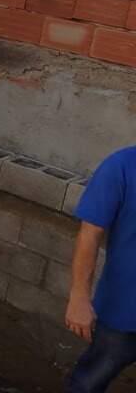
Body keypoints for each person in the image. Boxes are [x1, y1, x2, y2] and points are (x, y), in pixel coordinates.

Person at [66, 146, 136, 392]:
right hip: (124, 311)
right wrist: (79, 297)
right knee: (88, 383)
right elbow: (90, 234)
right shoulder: (121, 165)